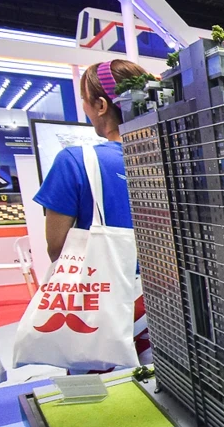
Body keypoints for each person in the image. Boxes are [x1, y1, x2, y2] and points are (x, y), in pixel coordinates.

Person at [33, 59, 151, 366]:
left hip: (100, 305)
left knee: (103, 388)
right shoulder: (173, 159)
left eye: (85, 101)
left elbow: (58, 249)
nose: (85, 108)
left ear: (101, 105)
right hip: (166, 302)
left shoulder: (74, 161)